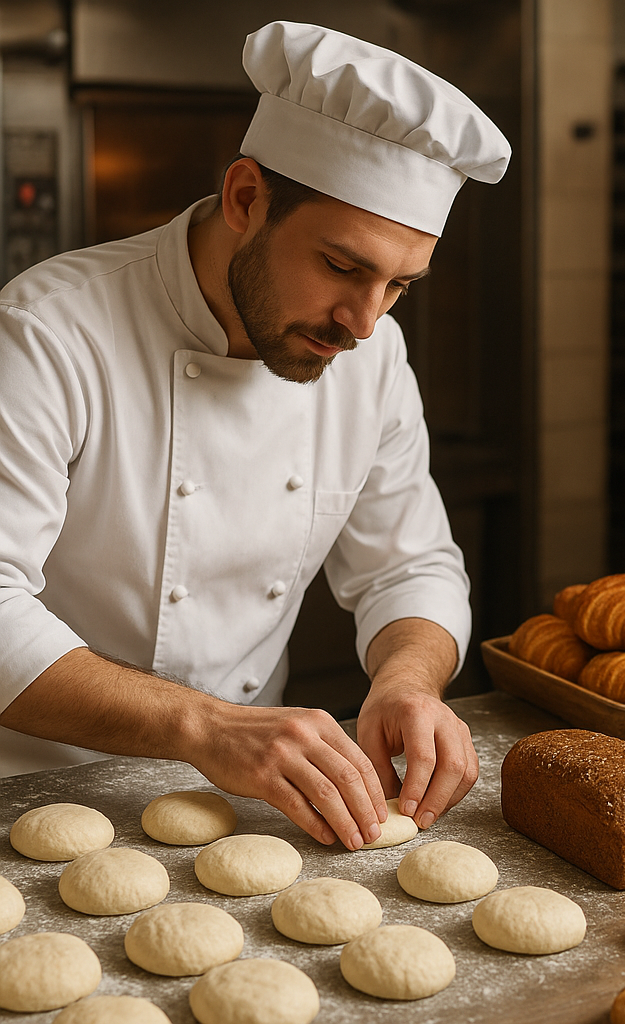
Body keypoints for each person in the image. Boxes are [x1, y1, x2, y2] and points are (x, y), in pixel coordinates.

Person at [0, 22, 511, 850]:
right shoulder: (49, 334)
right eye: (343, 267)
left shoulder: (368, 354)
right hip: (32, 797)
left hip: (248, 806)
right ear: (246, 199)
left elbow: (409, 564)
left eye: (399, 288)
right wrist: (208, 730)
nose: (363, 323)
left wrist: (408, 680)